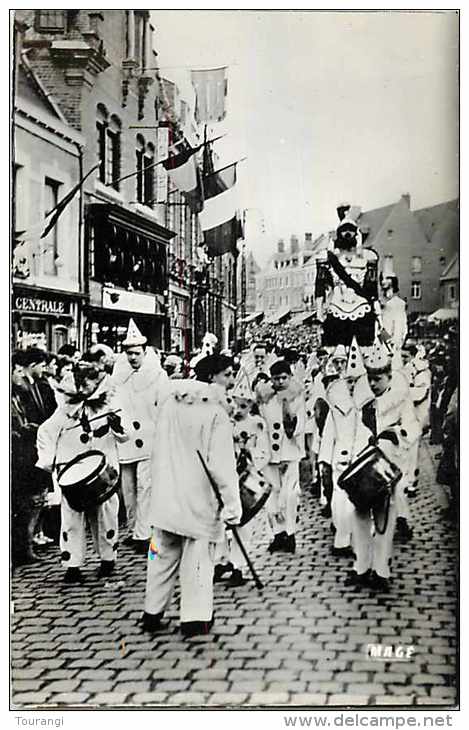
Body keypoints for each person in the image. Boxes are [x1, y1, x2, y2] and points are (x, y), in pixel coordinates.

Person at [142, 376, 242, 637]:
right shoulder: (215, 414)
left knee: (159, 554)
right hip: (198, 500)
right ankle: (195, 618)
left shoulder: (169, 406)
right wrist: (232, 505)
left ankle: (152, 612)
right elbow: (221, 465)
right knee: (198, 559)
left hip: (166, 497)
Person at [36, 358, 131, 583]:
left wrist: (117, 427)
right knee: (71, 519)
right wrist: (51, 463)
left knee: (106, 515)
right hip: (72, 469)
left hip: (102, 467)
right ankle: (72, 565)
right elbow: (46, 432)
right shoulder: (66, 408)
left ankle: (108, 559)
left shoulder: (111, 403)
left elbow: (127, 433)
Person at [346, 341, 420, 593]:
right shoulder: (363, 401)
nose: (374, 383)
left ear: (389, 377)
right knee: (358, 517)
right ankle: (361, 567)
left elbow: (414, 428)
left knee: (384, 520)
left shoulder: (400, 400)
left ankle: (381, 570)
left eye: (378, 378)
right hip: (363, 467)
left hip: (388, 468)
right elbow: (353, 431)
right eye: (370, 378)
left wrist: (395, 432)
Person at [112, 319, 169, 554]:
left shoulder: (157, 375)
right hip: (126, 440)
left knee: (146, 486)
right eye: (128, 353)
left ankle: (144, 533)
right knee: (128, 489)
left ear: (144, 352)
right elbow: (114, 403)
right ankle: (134, 528)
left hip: (149, 439)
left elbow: (165, 407)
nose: (132, 358)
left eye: (136, 353)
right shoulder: (120, 375)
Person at [256, 359, 305, 554]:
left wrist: (290, 414)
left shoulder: (297, 396)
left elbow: (298, 423)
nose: (281, 382)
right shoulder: (265, 398)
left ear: (290, 377)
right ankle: (277, 533)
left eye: (284, 377)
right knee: (272, 497)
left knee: (290, 495)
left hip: (289, 452)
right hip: (269, 454)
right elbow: (260, 424)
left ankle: (291, 532)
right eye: (276, 378)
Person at [11, 352, 48, 566]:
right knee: (20, 505)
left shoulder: (19, 394)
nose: (20, 375)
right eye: (16, 371)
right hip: (16, 457)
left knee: (26, 505)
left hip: (24, 455)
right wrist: (22, 431)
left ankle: (24, 548)